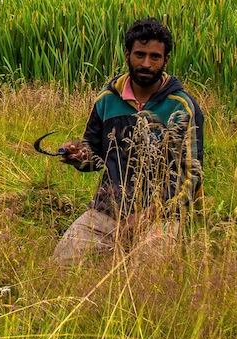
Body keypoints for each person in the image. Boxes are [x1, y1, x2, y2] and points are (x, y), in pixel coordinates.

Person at [52, 18, 204, 263]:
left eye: (155, 57)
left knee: (146, 275)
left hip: (161, 214)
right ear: (127, 54)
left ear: (166, 61)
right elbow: (97, 154)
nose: (146, 63)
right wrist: (79, 155)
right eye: (139, 54)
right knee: (61, 265)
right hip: (109, 208)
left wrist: (147, 216)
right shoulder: (107, 100)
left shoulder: (182, 107)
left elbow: (190, 177)